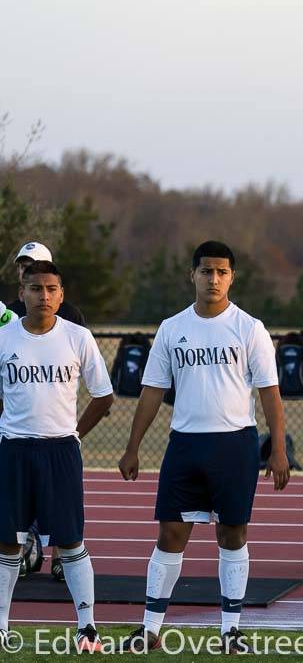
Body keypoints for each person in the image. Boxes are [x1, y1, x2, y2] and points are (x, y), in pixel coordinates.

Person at [117, 240, 289, 654]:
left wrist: (278, 449)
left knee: (233, 534)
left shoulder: (249, 328)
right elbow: (152, 392)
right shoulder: (172, 328)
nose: (214, 279)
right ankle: (149, 630)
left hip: (235, 445)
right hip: (186, 445)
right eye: (206, 271)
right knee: (171, 533)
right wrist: (132, 446)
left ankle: (230, 631)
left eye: (222, 272)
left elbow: (270, 394)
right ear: (192, 274)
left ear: (232, 277)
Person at [0, 261, 114, 652]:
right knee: (7, 541)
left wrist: (75, 434)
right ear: (22, 294)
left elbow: (104, 395)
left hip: (61, 451)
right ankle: (1, 626)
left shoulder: (78, 337)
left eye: (51, 289)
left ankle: (88, 629)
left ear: (61, 295)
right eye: (35, 288)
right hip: (13, 449)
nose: (43, 296)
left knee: (71, 541)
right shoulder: (4, 338)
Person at [8, 241, 85, 582]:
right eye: (23, 265)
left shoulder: (71, 319)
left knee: (63, 510)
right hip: (17, 434)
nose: (27, 268)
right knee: (15, 511)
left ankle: (58, 555)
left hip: (58, 431)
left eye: (34, 264)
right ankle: (26, 549)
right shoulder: (9, 315)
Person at [8, 242, 86, 326]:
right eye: (23, 267)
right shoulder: (9, 314)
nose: (27, 271)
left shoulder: (70, 315)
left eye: (34, 266)